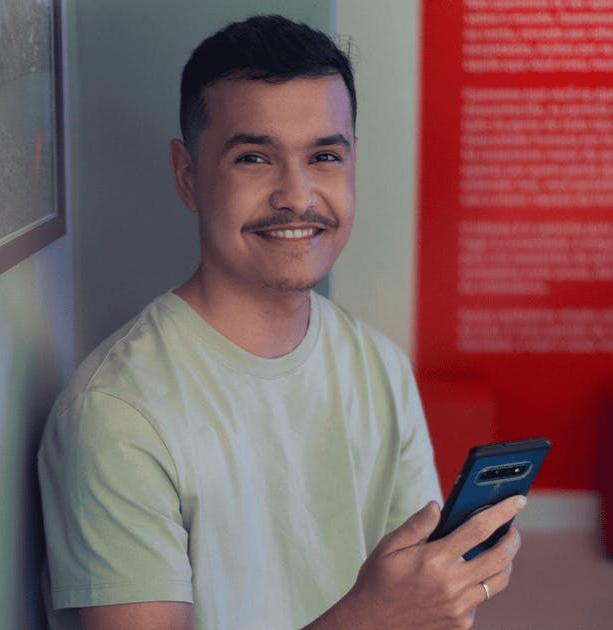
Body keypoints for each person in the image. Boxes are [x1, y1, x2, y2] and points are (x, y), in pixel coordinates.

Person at [38, 14, 525, 630]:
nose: (297, 196)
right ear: (188, 176)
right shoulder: (115, 412)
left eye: (324, 155)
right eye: (253, 158)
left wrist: (445, 591)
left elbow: (417, 606)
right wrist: (373, 618)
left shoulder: (379, 365)